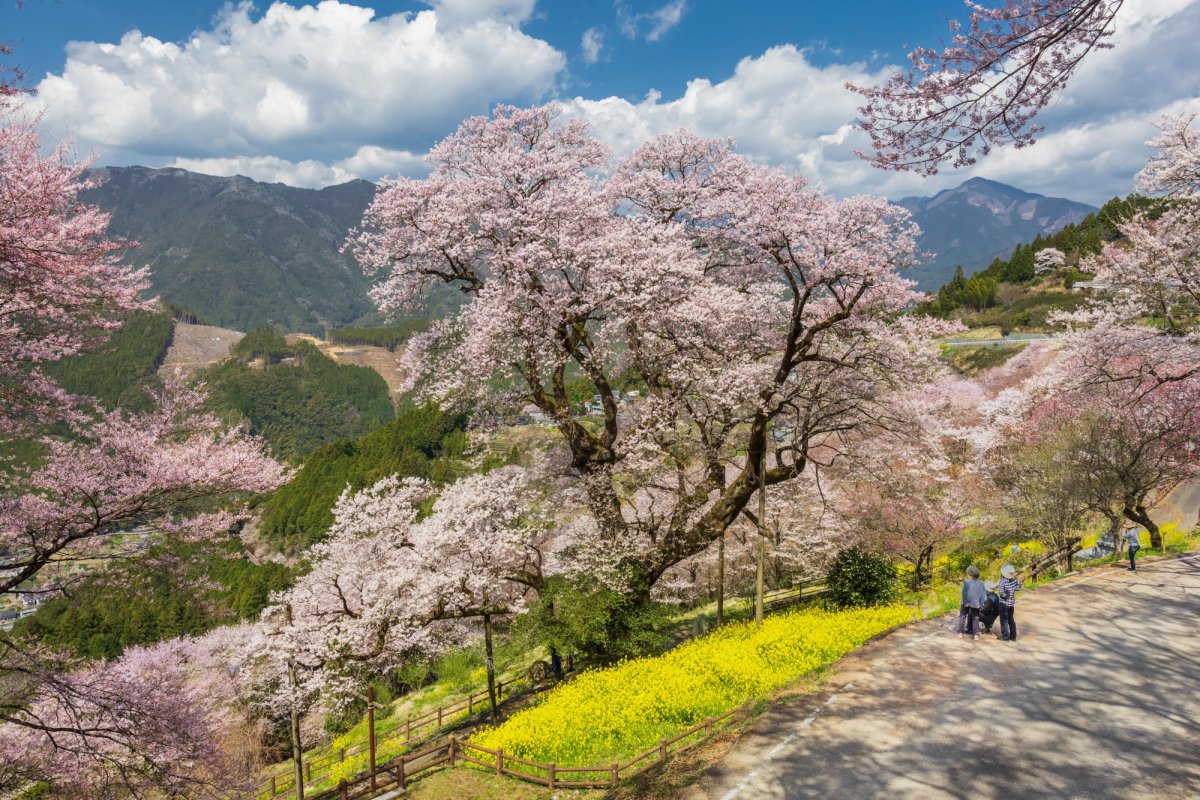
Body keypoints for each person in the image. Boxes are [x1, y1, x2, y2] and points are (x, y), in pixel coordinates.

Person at [958, 565, 987, 640]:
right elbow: (983, 595)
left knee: (962, 616)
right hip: (976, 603)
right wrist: (980, 604)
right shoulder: (982, 583)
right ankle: (975, 634)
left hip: (966, 603)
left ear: (970, 575)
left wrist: (965, 602)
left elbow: (964, 593)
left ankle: (960, 632)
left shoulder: (966, 582)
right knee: (975, 618)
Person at [997, 564, 1022, 642]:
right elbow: (1018, 588)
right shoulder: (1014, 580)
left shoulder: (1003, 581)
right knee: (1011, 619)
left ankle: (1005, 636)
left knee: (1004, 620)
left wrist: (1005, 595)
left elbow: (1000, 591)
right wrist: (1020, 583)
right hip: (1011, 603)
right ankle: (1013, 636)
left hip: (1004, 603)